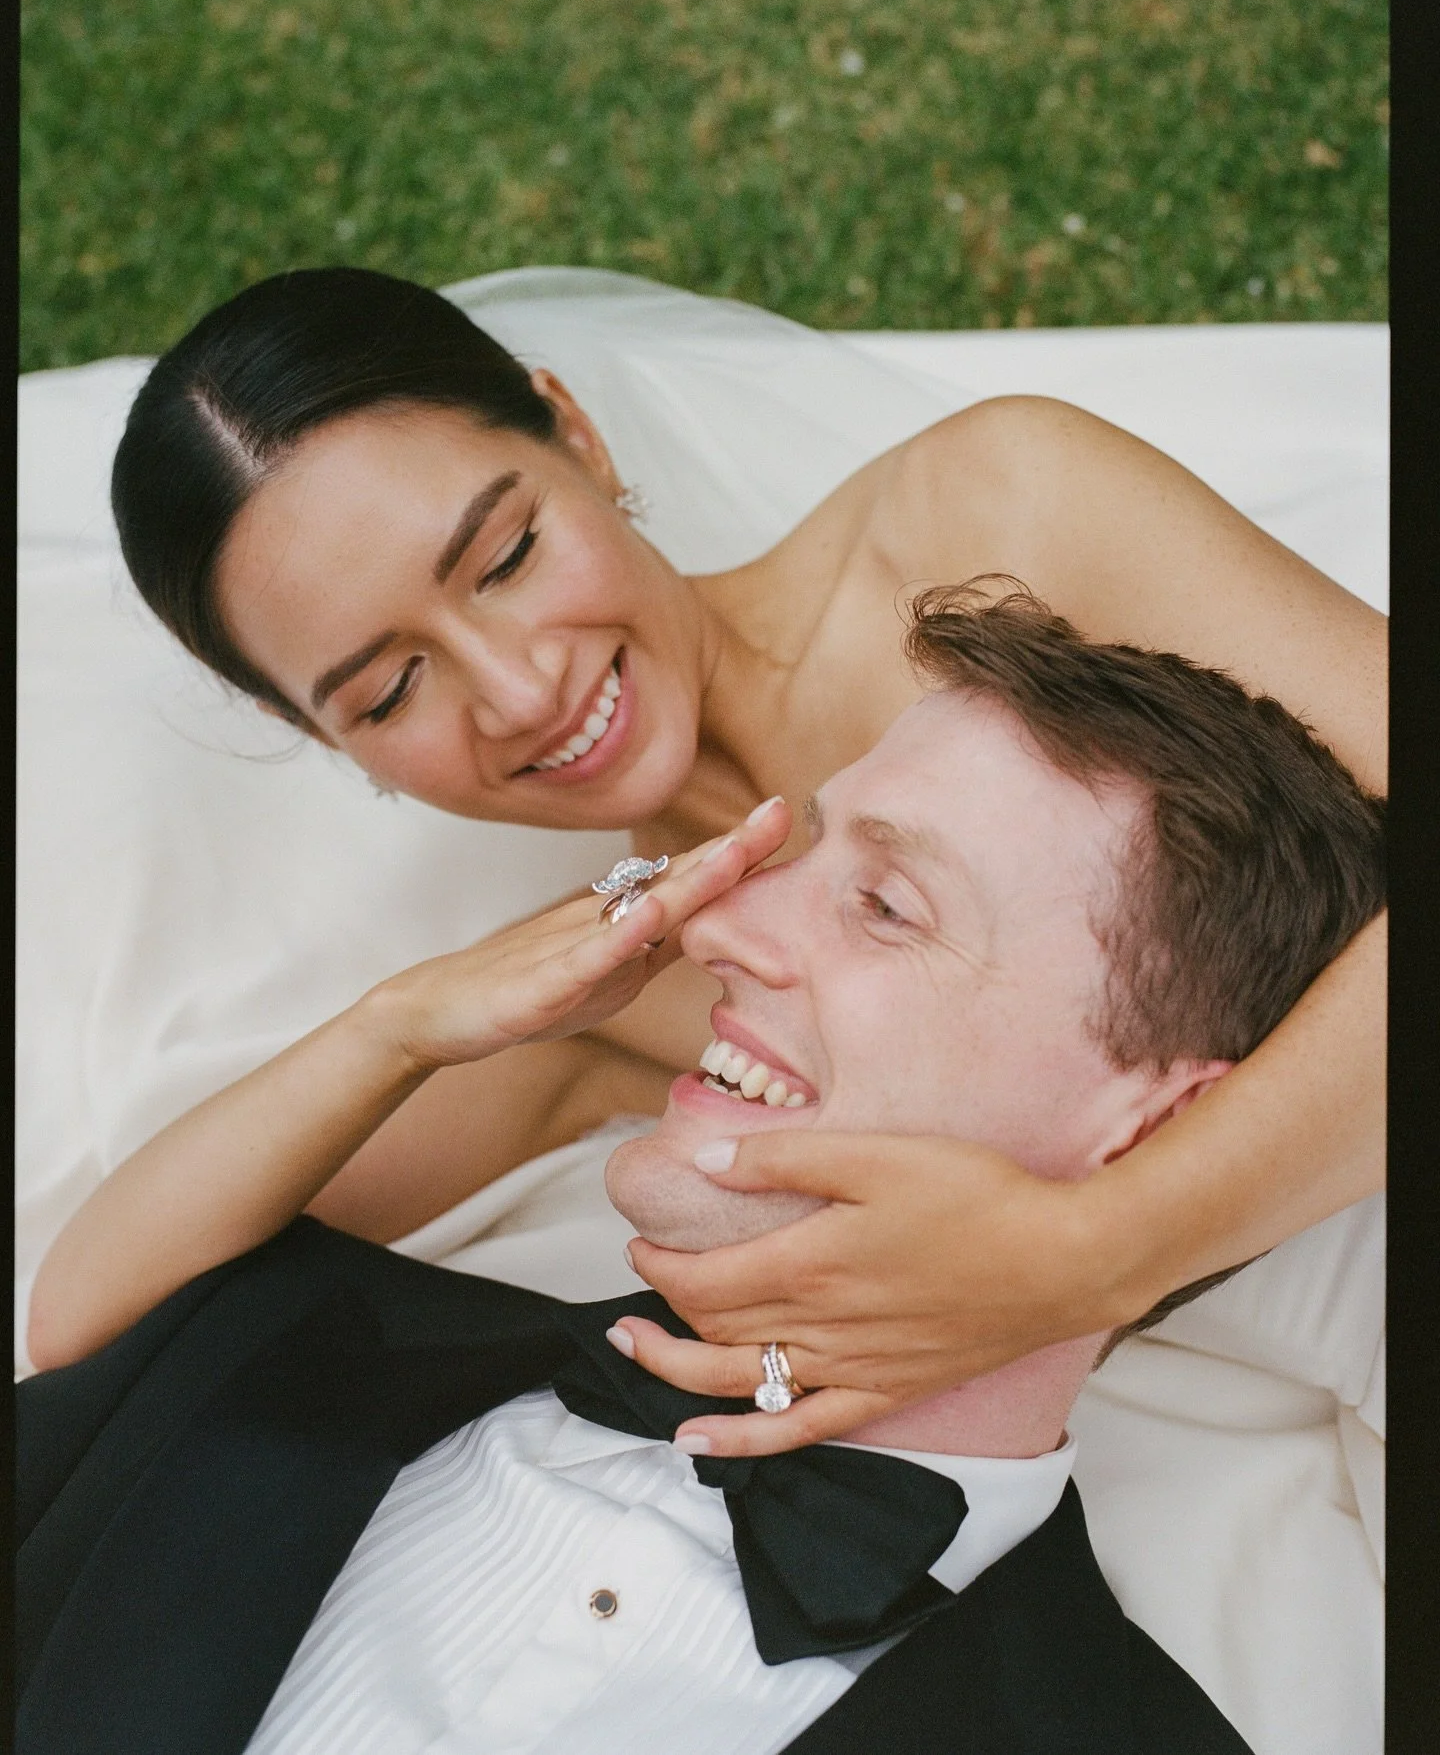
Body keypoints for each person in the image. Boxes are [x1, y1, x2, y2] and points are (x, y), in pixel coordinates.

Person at [20, 594, 1383, 1755]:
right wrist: (398, 1020)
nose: (722, 921)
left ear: (1147, 1124)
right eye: (797, 853)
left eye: (887, 907)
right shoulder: (264, 1336)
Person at [103, 265, 1387, 1449]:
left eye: (507, 556)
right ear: (318, 735)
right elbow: (100, 1318)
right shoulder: (633, 989)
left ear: (580, 440)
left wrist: (1102, 1254)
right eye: (387, 693)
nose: (520, 686)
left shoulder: (996, 512)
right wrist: (392, 1025)